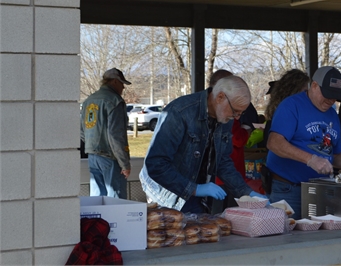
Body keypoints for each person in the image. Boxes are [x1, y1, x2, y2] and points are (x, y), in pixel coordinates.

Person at [139, 75, 266, 213]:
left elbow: (223, 161)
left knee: (200, 231)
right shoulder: (179, 112)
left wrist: (246, 193)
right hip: (165, 194)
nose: (237, 118)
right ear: (220, 97)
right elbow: (156, 164)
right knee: (173, 232)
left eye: (241, 113)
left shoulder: (225, 117)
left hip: (197, 194)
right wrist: (194, 189)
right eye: (235, 111)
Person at [266, 66, 341, 219]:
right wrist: (310, 159)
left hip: (320, 191)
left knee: (319, 240)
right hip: (288, 188)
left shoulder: (332, 114)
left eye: (335, 97)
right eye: (327, 94)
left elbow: (335, 155)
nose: (331, 100)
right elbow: (274, 143)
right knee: (287, 239)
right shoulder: (292, 105)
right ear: (314, 86)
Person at [80, 68, 132, 198]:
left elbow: (82, 131)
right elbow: (116, 135)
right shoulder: (114, 101)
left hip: (92, 156)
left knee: (97, 200)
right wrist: (124, 164)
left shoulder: (89, 100)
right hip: (110, 157)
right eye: (122, 84)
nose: (123, 88)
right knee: (116, 202)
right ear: (115, 81)